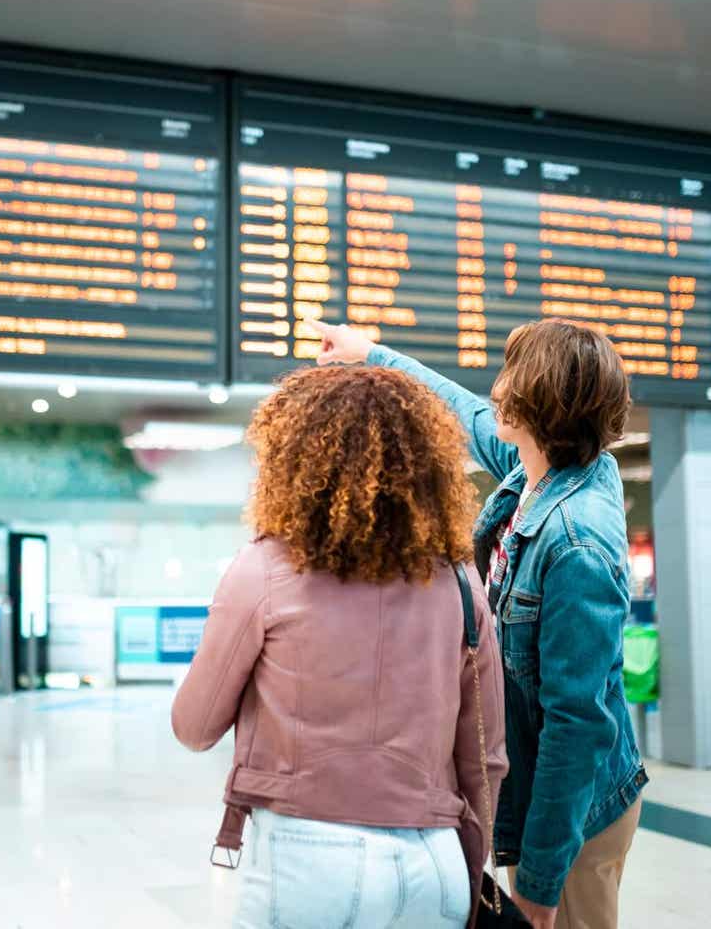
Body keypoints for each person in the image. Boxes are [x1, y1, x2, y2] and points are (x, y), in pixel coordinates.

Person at [310, 318, 648, 929]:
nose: (494, 390)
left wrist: (541, 885)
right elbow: (463, 412)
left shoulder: (578, 546)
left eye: (510, 377)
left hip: (576, 818)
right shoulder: (540, 468)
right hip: (540, 796)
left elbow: (577, 725)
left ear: (545, 404)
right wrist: (371, 354)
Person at [173, 366, 508, 928]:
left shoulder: (263, 569)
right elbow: (485, 758)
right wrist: (469, 873)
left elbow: (195, 725)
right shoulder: (458, 582)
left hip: (307, 860)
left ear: (293, 459)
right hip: (435, 861)